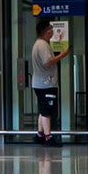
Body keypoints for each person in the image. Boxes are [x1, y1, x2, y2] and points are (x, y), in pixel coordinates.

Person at [30, 15, 67, 145]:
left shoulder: (38, 44)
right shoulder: (43, 45)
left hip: (39, 83)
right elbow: (47, 62)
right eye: (51, 28)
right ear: (47, 31)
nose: (53, 31)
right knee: (47, 111)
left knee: (43, 109)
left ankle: (39, 134)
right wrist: (62, 55)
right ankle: (48, 137)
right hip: (46, 83)